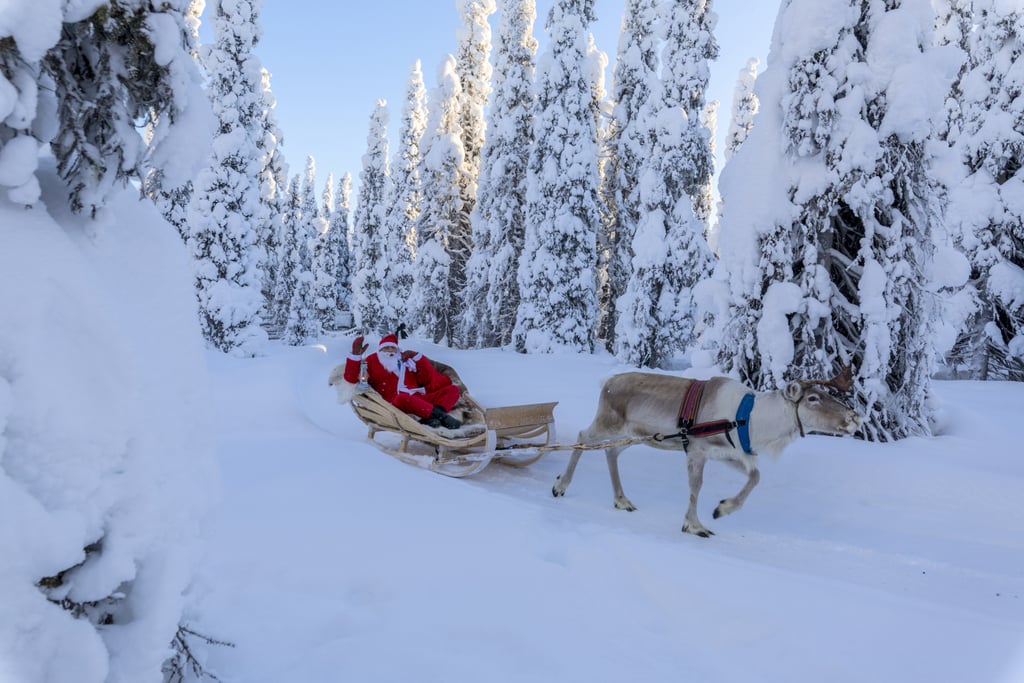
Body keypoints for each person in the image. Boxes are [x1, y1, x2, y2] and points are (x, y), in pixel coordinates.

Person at [343, 333, 462, 430]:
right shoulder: (372, 361)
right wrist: (355, 356)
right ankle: (443, 417)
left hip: (419, 400)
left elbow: (426, 379)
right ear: (380, 350)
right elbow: (351, 378)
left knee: (453, 390)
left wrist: (417, 357)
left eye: (392, 348)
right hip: (396, 404)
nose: (390, 351)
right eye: (386, 348)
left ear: (397, 350)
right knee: (403, 398)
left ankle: (430, 418)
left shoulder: (406, 361)